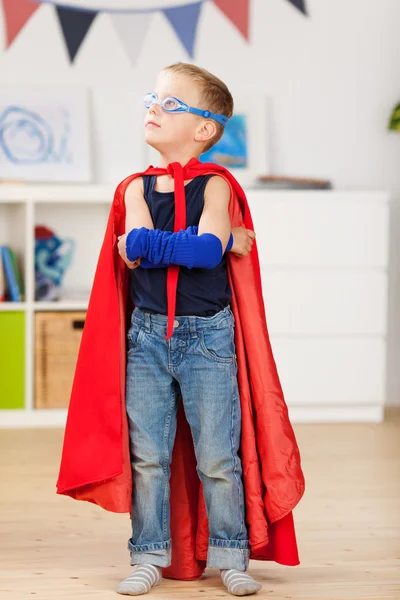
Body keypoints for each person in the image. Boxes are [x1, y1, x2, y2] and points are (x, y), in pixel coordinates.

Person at [56, 63, 305, 598]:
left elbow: (195, 250)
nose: (152, 108)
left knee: (219, 456)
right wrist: (203, 244)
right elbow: (184, 247)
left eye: (169, 103)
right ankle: (147, 553)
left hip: (208, 340)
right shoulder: (133, 187)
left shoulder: (217, 184)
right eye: (152, 99)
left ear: (204, 129)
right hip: (145, 340)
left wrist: (174, 245)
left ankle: (231, 554)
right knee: (149, 457)